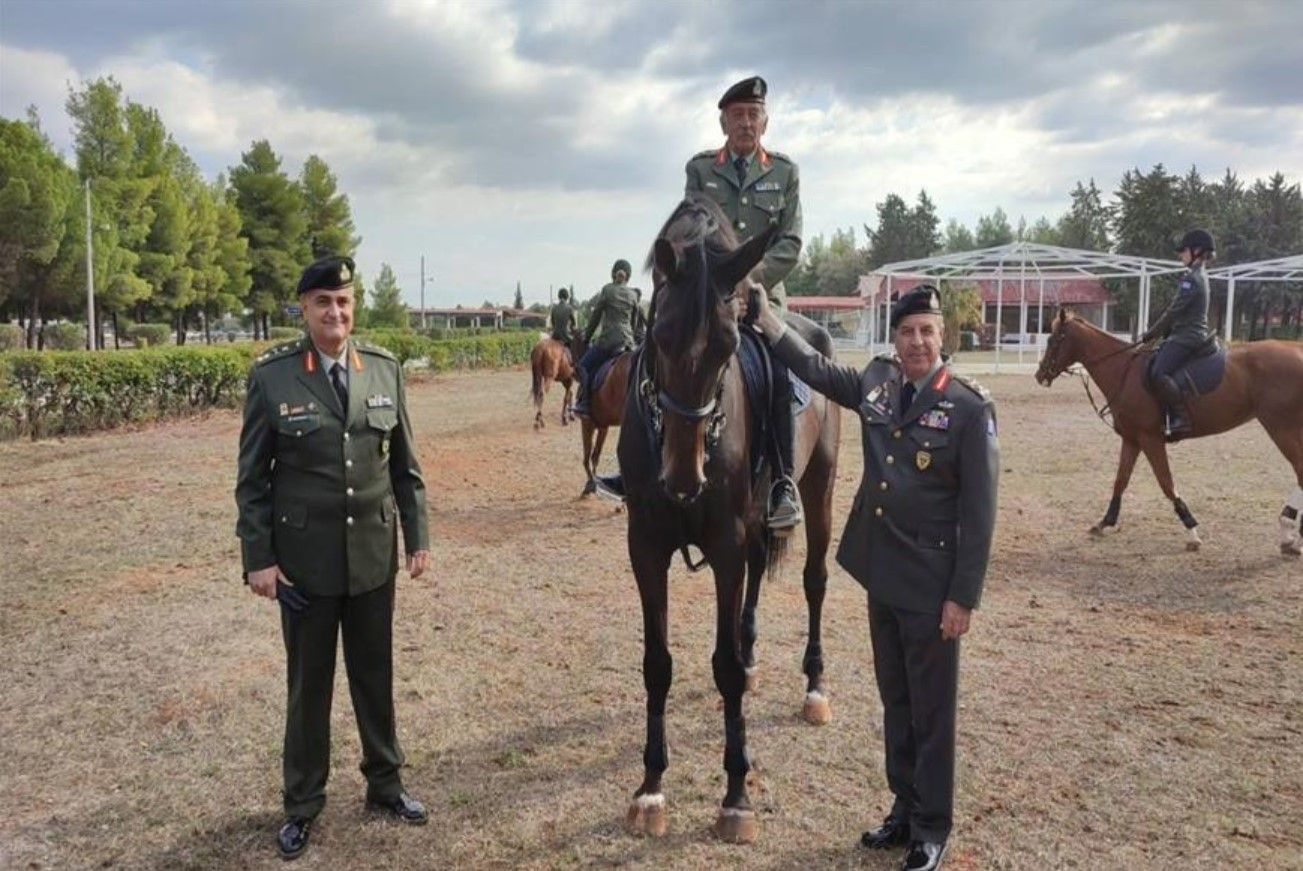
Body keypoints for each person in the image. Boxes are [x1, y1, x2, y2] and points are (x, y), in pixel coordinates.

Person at [751, 283, 999, 871]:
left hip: (933, 586)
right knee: (895, 699)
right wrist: (766, 320)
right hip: (883, 574)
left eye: (927, 332)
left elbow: (980, 515)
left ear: (943, 338)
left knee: (932, 709)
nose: (917, 342)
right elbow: (813, 367)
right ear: (895, 337)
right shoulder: (878, 385)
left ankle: (932, 828)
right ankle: (903, 808)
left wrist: (962, 598)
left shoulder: (968, 408)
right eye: (907, 331)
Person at [235, 255, 432, 861]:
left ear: (354, 306)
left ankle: (386, 784)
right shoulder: (273, 378)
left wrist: (418, 538)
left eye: (343, 301)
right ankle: (301, 804)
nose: (335, 312)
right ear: (304, 309)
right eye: (323, 302)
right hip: (305, 566)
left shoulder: (383, 370)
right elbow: (253, 481)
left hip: (373, 554)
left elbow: (406, 468)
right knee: (309, 686)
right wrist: (259, 558)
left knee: (376, 677)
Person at [594, 75, 807, 529]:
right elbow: (689, 225)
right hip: (705, 299)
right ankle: (634, 465)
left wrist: (749, 284)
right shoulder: (701, 170)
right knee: (652, 354)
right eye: (737, 116)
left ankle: (782, 481)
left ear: (764, 122)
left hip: (759, 299)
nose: (745, 123)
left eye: (753, 115)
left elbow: (789, 243)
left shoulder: (785, 173)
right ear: (724, 122)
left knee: (779, 371)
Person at [1142, 228, 1216, 441]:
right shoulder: (1197, 275)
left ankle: (1181, 419)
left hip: (1187, 336)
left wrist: (1151, 334)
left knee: (1158, 373)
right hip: (1186, 333)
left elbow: (1173, 312)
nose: (1180, 254)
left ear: (1197, 251)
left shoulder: (1191, 279)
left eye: (1183, 250)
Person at [573, 259, 644, 416]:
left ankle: (584, 403)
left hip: (607, 342)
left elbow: (595, 318)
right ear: (628, 276)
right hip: (627, 343)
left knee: (583, 365)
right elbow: (634, 323)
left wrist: (587, 337)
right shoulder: (633, 295)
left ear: (613, 273)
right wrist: (630, 339)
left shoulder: (606, 290)